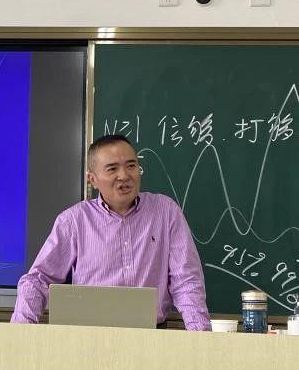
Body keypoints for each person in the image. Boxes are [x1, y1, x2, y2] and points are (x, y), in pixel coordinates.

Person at [11, 134, 211, 330]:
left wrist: (200, 336)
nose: (124, 175)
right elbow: (38, 279)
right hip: (88, 336)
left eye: (131, 166)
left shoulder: (166, 212)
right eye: (112, 169)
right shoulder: (74, 221)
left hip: (152, 336)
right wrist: (19, 334)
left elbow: (186, 280)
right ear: (92, 179)